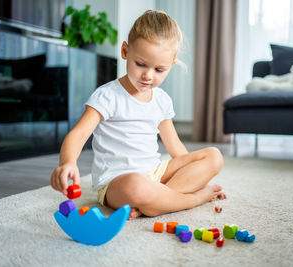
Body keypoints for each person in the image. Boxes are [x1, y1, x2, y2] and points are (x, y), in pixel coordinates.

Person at [50, 10, 226, 220]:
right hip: (118, 182)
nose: (148, 76)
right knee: (138, 187)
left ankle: (156, 203)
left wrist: (195, 177)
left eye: (159, 70)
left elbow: (177, 149)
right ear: (125, 51)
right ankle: (192, 199)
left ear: (171, 64)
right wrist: (67, 163)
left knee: (214, 156)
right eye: (140, 64)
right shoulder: (107, 96)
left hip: (155, 173)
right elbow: (78, 135)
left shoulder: (161, 100)